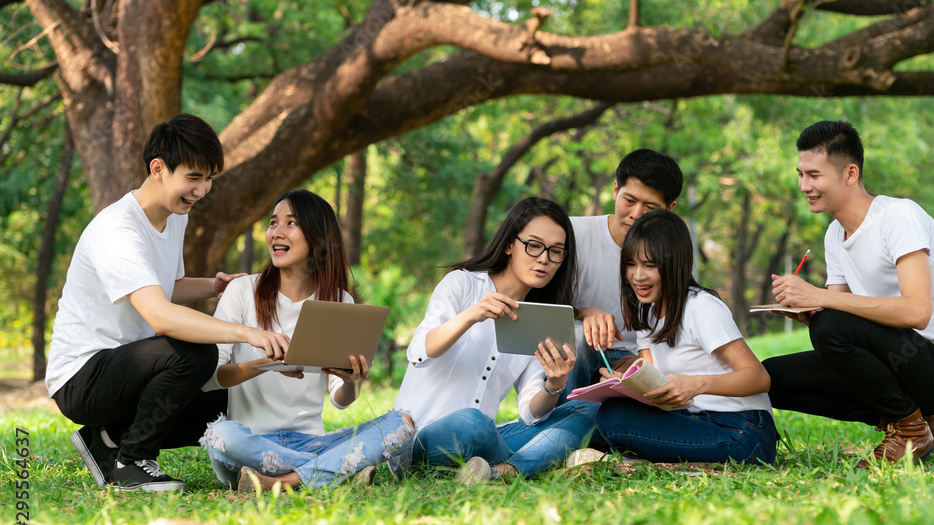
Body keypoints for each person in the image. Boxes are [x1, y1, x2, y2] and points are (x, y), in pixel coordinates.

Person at [46, 113, 290, 492]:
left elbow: (166, 287)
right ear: (158, 169)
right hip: (82, 379)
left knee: (225, 400)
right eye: (193, 178)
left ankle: (106, 441)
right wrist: (248, 333)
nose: (202, 190)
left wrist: (214, 285)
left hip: (128, 370)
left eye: (209, 178)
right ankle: (131, 463)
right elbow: (160, 316)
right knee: (195, 353)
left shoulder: (173, 217)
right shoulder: (118, 230)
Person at [762, 120, 934, 466]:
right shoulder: (835, 235)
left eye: (814, 175)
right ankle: (919, 424)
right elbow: (838, 322)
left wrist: (822, 300)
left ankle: (909, 431)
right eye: (800, 174)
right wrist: (805, 310)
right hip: (895, 361)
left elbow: (917, 312)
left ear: (850, 174)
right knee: (769, 379)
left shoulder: (898, 216)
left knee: (829, 324)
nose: (804, 185)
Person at [198, 190, 415, 491]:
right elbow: (210, 378)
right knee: (221, 436)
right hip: (250, 440)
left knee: (401, 424)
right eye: (273, 223)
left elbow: (341, 400)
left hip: (311, 440)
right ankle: (336, 468)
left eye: (290, 223)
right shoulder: (242, 291)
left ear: (318, 236)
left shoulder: (340, 301)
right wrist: (265, 363)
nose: (276, 232)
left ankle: (285, 481)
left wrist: (352, 380)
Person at [394, 196, 599, 484]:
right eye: (535, 245)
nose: (544, 258)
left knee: (589, 411)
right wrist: (471, 315)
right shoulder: (463, 284)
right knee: (473, 422)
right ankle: (525, 461)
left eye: (556, 251)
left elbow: (530, 412)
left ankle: (499, 471)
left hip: (486, 440)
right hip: (426, 438)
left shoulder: (540, 320)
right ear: (509, 244)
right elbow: (418, 352)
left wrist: (554, 385)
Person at [572, 209, 777, 466]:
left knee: (613, 421)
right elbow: (653, 379)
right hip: (692, 419)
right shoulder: (648, 309)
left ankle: (635, 459)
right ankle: (640, 458)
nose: (638, 276)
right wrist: (623, 383)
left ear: (674, 264)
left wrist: (696, 384)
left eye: (650, 265)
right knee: (605, 413)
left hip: (742, 432)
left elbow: (759, 377)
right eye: (630, 264)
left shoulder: (701, 307)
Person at [562, 148, 685, 397]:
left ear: (669, 208)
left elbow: (671, 325)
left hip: (633, 358)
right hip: (575, 353)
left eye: (650, 207)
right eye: (629, 201)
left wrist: (642, 362)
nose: (636, 214)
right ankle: (563, 423)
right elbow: (539, 303)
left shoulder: (670, 254)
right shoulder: (571, 234)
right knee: (578, 335)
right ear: (615, 190)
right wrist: (583, 313)